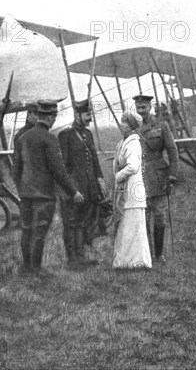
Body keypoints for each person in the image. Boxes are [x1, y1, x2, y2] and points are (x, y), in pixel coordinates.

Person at [13, 99, 84, 274]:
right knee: (39, 231)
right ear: (52, 117)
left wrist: (21, 189)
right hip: (44, 194)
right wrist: (73, 192)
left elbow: (16, 169)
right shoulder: (50, 139)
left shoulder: (22, 138)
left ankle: (26, 267)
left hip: (26, 194)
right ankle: (37, 268)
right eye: (54, 117)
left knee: (27, 230)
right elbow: (58, 170)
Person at [58, 99, 107, 268]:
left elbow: (94, 160)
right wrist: (71, 190)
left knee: (84, 222)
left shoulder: (88, 134)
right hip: (74, 189)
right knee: (72, 223)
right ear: (77, 115)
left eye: (90, 114)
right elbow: (63, 167)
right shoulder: (65, 136)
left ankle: (81, 257)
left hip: (88, 187)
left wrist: (100, 180)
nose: (90, 118)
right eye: (87, 115)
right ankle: (73, 259)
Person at [134, 95, 179, 263]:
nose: (141, 111)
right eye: (138, 108)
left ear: (150, 107)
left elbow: (172, 151)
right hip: (141, 176)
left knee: (159, 215)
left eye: (144, 107)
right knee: (143, 216)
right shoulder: (135, 128)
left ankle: (159, 253)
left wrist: (172, 174)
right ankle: (147, 254)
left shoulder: (161, 126)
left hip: (159, 175)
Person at [112, 111, 151, 269]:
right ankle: (125, 262)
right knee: (125, 228)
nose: (122, 124)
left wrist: (118, 176)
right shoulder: (123, 142)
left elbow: (133, 166)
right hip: (126, 190)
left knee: (134, 228)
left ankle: (138, 262)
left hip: (133, 191)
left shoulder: (134, 142)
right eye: (121, 121)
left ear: (132, 126)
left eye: (125, 122)